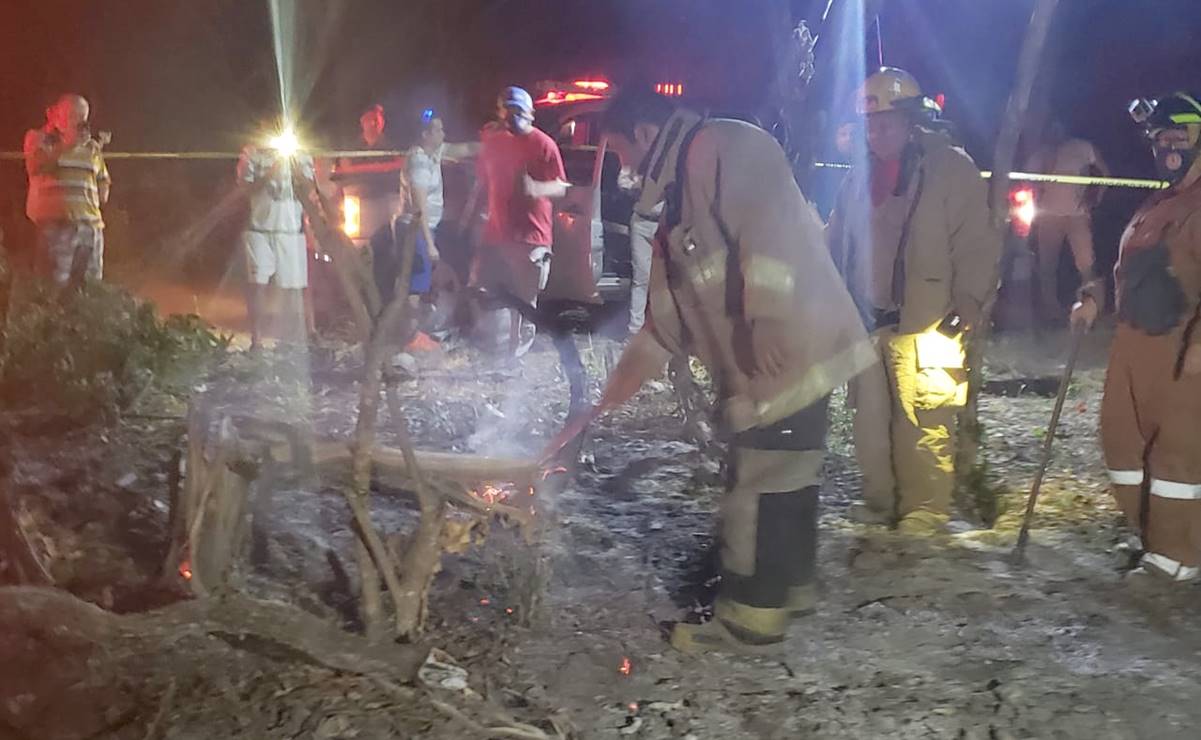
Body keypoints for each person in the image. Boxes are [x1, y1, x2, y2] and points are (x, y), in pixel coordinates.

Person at [545, 88, 874, 653]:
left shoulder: (724, 144)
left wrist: (768, 315)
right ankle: (789, 590)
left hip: (787, 347)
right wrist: (602, 406)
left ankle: (750, 617)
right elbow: (662, 328)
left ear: (646, 135)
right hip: (769, 363)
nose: (622, 169)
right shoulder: (677, 205)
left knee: (759, 484)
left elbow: (768, 227)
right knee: (786, 477)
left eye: (620, 152)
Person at [826, 68, 1002, 533]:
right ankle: (882, 503)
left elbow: (977, 242)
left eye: (886, 121)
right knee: (870, 425)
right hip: (869, 321)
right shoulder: (858, 180)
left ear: (910, 121)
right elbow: (836, 242)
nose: (876, 131)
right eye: (870, 123)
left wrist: (968, 299)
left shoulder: (950, 169)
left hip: (928, 322)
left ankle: (925, 511)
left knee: (924, 420)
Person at [1072, 92, 1201, 582]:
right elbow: (1133, 269)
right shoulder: (1159, 201)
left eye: (1179, 135)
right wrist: (1095, 298)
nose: (1169, 146)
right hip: (1133, 344)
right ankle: (1149, 533)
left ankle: (1177, 559)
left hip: (1181, 346)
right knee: (1123, 444)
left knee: (1177, 455)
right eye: (1160, 138)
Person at [470, 86, 569, 357]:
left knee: (525, 300)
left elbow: (561, 186)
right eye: (507, 111)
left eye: (518, 112)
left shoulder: (544, 144)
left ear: (530, 113)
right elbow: (483, 182)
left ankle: (515, 355)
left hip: (532, 234)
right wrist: (474, 217)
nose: (512, 117)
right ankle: (494, 346)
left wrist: (537, 188)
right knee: (485, 289)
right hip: (498, 232)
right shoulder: (495, 142)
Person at [1024, 120, 1109, 325]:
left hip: (1077, 216)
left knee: (1086, 264)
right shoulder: (1041, 154)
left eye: (1058, 128)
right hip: (1047, 216)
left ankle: (1094, 308)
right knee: (1047, 265)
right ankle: (1050, 311)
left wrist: (1095, 197)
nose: (1056, 132)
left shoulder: (1081, 147)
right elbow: (1026, 181)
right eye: (1052, 129)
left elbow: (1105, 172)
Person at [236, 138, 316, 348]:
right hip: (259, 228)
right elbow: (246, 188)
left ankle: (292, 338)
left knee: (293, 287)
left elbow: (308, 187)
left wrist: (296, 169)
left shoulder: (301, 153)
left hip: (290, 231)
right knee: (257, 284)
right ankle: (257, 339)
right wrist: (273, 170)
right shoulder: (252, 153)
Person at [23, 93, 111, 286]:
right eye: (74, 116)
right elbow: (36, 167)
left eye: (84, 117)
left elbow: (103, 179)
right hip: (56, 227)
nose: (80, 122)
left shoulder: (91, 147)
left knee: (90, 289)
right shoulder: (39, 139)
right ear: (56, 115)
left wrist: (100, 194)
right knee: (54, 289)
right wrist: (66, 145)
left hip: (90, 227)